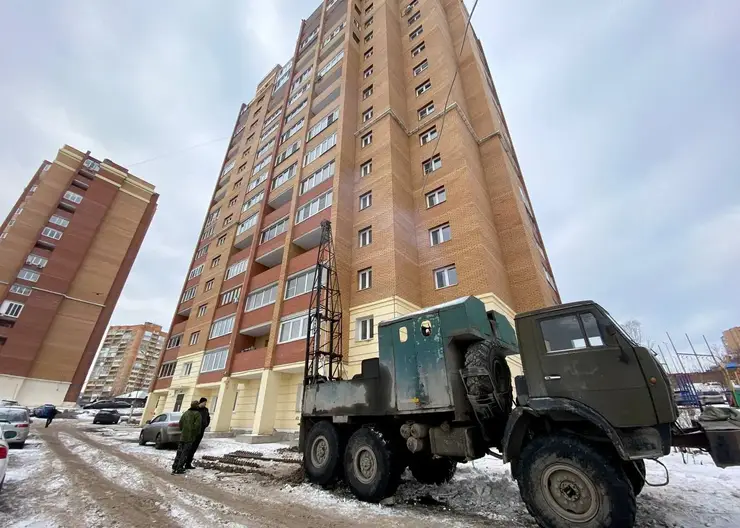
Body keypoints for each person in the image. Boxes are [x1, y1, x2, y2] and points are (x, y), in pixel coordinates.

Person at [172, 400, 202, 475]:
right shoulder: (197, 414)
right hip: (190, 437)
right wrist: (195, 434)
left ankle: (175, 466)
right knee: (185, 452)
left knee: (179, 452)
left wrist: (183, 431)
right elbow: (197, 426)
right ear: (197, 406)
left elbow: (180, 424)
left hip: (183, 436)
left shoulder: (186, 413)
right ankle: (180, 467)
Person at [185, 397, 211, 469]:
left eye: (206, 402)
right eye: (204, 402)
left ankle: (188, 463)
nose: (205, 404)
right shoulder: (195, 410)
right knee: (189, 447)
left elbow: (208, 418)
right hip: (194, 431)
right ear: (201, 402)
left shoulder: (206, 410)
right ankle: (184, 462)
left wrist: (206, 424)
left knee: (194, 447)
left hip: (201, 431)